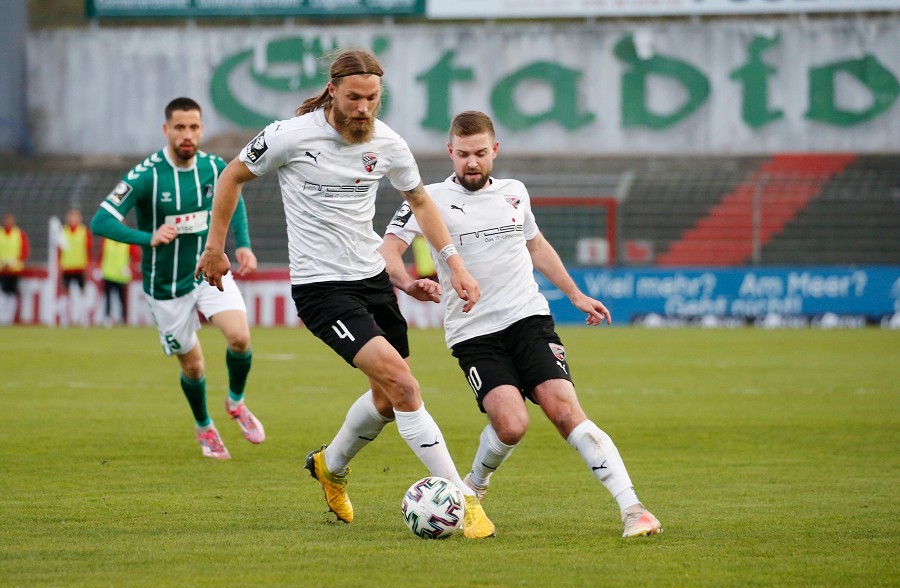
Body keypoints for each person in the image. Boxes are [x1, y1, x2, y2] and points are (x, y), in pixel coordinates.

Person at [196, 49, 495, 539]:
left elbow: (420, 201)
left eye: (373, 99)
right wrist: (215, 246)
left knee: (385, 397)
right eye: (354, 97)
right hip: (322, 289)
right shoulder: (289, 136)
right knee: (404, 385)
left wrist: (448, 265)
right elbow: (232, 176)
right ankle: (464, 500)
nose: (363, 108)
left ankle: (329, 466)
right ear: (332, 91)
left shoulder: (390, 144)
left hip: (373, 281)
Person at [380, 110, 662, 538]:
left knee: (564, 410)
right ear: (449, 153)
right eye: (462, 155)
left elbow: (536, 244)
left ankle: (634, 509)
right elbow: (388, 250)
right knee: (511, 425)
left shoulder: (515, 192)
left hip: (528, 318)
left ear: (494, 150)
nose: (471, 162)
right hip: (473, 333)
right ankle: (475, 483)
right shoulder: (426, 199)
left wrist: (575, 293)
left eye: (479, 153)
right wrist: (405, 281)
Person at [91, 96, 265, 460]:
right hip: (166, 289)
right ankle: (205, 425)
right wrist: (147, 238)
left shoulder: (213, 167)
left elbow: (234, 198)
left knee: (239, 338)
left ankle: (236, 403)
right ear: (166, 130)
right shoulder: (145, 175)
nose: (188, 135)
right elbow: (101, 220)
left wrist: (244, 245)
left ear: (202, 130)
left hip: (207, 271)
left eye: (195, 127)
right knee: (195, 365)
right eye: (180, 128)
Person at [58, 207, 92, 327]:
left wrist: (88, 265)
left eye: (76, 217)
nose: (73, 219)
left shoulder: (84, 231)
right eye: (71, 216)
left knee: (83, 293)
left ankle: (84, 319)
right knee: (65, 293)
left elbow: (88, 249)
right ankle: (64, 319)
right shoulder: (63, 231)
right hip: (67, 267)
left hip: (80, 267)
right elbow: (58, 250)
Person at [98, 237, 138, 325]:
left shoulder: (127, 242)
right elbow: (101, 255)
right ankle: (107, 317)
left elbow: (134, 256)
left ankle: (122, 318)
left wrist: (129, 267)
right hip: (108, 274)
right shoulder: (106, 240)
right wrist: (100, 268)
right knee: (108, 298)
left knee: (122, 299)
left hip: (121, 276)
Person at [0, 213, 29, 325]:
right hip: (1, 270)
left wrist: (15, 261)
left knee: (12, 294)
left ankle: (9, 318)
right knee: (2, 294)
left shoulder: (19, 234)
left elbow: (24, 251)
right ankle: (2, 317)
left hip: (14, 270)